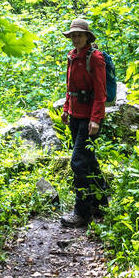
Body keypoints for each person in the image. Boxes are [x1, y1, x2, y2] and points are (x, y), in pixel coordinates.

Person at [59, 17, 108, 228]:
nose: (76, 38)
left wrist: (96, 119)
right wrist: (65, 109)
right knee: (88, 160)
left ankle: (82, 212)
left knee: (77, 162)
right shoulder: (72, 56)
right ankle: (101, 202)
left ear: (87, 36)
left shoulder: (95, 58)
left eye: (80, 34)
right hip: (75, 116)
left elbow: (100, 91)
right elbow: (70, 87)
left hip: (90, 118)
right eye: (73, 35)